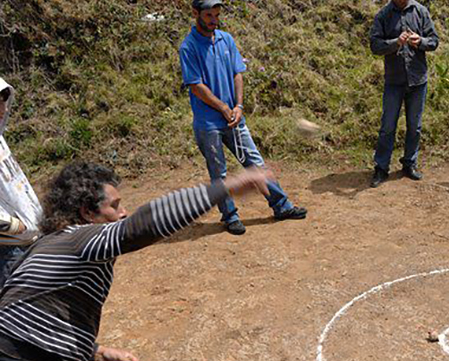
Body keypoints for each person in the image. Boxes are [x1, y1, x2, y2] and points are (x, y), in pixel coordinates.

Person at [0, 163, 271, 361]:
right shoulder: (79, 239)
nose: (123, 212)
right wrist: (226, 187)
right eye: (115, 205)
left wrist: (96, 350)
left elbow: (39, 312)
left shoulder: (49, 245)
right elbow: (142, 225)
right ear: (86, 212)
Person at [179, 0, 306, 235]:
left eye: (216, 14)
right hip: (209, 123)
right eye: (208, 15)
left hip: (234, 117)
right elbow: (196, 87)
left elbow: (238, 73)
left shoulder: (226, 39)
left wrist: (238, 106)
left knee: (255, 163)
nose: (214, 19)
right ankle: (230, 217)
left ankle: (282, 206)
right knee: (220, 173)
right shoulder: (189, 47)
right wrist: (223, 107)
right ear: (195, 14)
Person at [369, 0, 439, 188]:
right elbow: (374, 45)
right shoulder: (383, 16)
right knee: (387, 126)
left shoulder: (421, 12)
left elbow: (434, 41)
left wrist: (420, 42)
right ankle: (381, 168)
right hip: (394, 80)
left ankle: (409, 163)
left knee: (414, 126)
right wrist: (395, 43)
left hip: (418, 80)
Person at [0, 78, 41, 288]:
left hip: (28, 241)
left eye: (4, 99)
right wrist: (15, 226)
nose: (4, 108)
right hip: (8, 250)